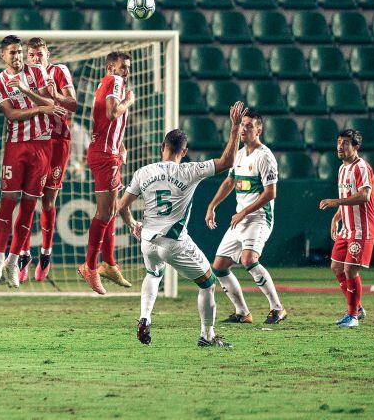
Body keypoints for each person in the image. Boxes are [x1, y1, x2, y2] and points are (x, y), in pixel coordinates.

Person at [116, 101, 246, 348]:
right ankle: (207, 336)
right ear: (184, 151)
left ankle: (145, 317)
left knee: (153, 273)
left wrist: (132, 223)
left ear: (161, 147)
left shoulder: (143, 172)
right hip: (174, 241)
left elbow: (121, 207)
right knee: (207, 284)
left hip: (147, 241)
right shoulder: (189, 170)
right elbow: (227, 161)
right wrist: (235, 127)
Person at [0, 35, 64, 288]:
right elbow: (11, 114)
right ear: (3, 56)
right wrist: (40, 109)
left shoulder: (37, 72)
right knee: (8, 204)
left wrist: (26, 90)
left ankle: (12, 261)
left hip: (42, 147)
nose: (17, 56)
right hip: (16, 147)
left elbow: (50, 102)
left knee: (30, 208)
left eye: (19, 52)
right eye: (12, 53)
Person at [205, 110, 287, 324]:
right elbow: (230, 182)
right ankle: (243, 312)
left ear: (259, 130)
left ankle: (277, 309)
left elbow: (270, 193)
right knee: (219, 267)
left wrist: (243, 212)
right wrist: (212, 205)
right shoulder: (240, 154)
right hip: (241, 219)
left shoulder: (265, 156)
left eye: (249, 125)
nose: (243, 129)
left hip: (259, 217)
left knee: (248, 259)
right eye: (242, 125)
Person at [19, 38, 77, 282]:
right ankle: (23, 254)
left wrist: (56, 97)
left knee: (48, 200)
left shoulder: (58, 71)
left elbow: (73, 105)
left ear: (47, 54)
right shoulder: (22, 76)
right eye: (31, 55)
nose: (35, 59)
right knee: (27, 200)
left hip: (57, 142)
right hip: (32, 141)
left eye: (39, 54)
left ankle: (45, 252)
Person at [78, 51, 135, 294]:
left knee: (110, 211)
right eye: (123, 67)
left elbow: (105, 120)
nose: (127, 71)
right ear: (111, 67)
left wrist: (120, 144)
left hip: (108, 152)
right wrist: (129, 101)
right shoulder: (115, 81)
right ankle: (90, 267)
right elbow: (113, 113)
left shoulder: (105, 83)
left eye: (128, 67)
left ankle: (109, 263)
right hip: (104, 156)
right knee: (104, 213)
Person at [319, 129, 374, 329]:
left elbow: (364, 196)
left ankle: (352, 316)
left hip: (362, 228)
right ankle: (357, 307)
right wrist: (336, 218)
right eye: (338, 142)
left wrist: (335, 203)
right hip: (347, 228)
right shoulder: (342, 168)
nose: (340, 146)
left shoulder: (361, 167)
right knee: (336, 267)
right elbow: (348, 198)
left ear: (356, 147)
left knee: (350, 269)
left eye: (345, 143)